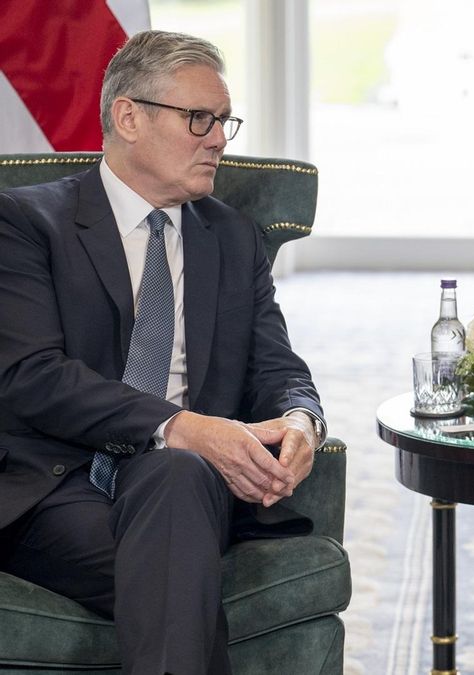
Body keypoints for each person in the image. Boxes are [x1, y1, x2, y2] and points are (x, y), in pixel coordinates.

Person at [0, 31, 326, 674]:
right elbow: (30, 376)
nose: (219, 138)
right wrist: (181, 426)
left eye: (224, 120)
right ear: (128, 116)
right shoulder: (27, 223)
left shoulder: (232, 238)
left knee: (177, 478)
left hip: (191, 488)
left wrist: (300, 420)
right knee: (179, 568)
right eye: (198, 118)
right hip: (61, 487)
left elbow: (279, 368)